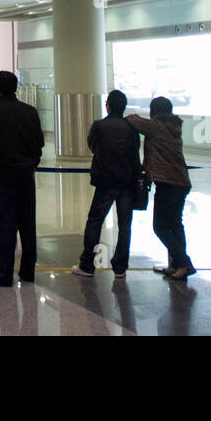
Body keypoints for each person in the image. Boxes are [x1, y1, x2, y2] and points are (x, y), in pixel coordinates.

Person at [0, 71, 44, 287]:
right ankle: (27, 271)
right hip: (25, 175)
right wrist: (31, 163)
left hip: (3, 176)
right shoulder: (29, 112)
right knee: (27, 223)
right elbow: (38, 143)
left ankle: (4, 273)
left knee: (7, 225)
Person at [73, 89, 141, 280]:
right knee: (125, 224)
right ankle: (120, 267)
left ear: (108, 106)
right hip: (126, 183)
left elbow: (92, 146)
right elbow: (136, 155)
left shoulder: (99, 126)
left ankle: (87, 264)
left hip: (105, 181)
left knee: (95, 221)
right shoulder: (131, 129)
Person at [127, 96, 194, 279]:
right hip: (181, 182)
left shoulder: (157, 126)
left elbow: (133, 120)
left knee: (160, 227)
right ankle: (176, 265)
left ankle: (184, 263)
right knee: (175, 224)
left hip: (168, 183)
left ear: (154, 111)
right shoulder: (174, 128)